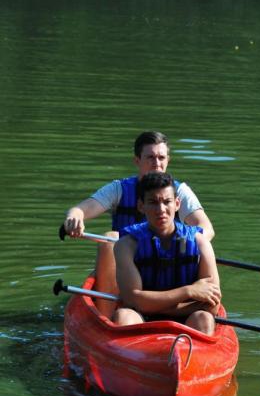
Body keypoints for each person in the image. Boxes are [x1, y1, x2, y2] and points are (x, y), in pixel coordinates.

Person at [63, 131, 214, 314]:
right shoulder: (119, 189)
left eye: (161, 157)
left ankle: (169, 307)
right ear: (137, 160)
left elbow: (205, 229)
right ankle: (107, 315)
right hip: (126, 262)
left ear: (168, 160)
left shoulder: (179, 191)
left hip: (168, 258)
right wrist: (74, 218)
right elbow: (80, 209)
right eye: (150, 157)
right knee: (110, 238)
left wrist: (179, 246)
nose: (156, 164)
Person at [113, 172, 221, 335]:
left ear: (177, 204)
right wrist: (189, 291)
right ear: (141, 206)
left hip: (187, 319)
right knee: (123, 316)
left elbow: (212, 305)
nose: (161, 210)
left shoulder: (200, 242)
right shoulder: (126, 245)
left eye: (167, 202)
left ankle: (191, 358)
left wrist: (154, 305)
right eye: (153, 202)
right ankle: (133, 358)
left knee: (204, 319)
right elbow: (133, 301)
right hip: (142, 318)